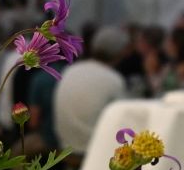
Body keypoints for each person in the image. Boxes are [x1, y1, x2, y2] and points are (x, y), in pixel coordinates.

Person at [54, 25, 129, 153]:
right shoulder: (114, 79)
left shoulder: (70, 70)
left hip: (64, 145)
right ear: (121, 52)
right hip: (92, 150)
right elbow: (123, 119)